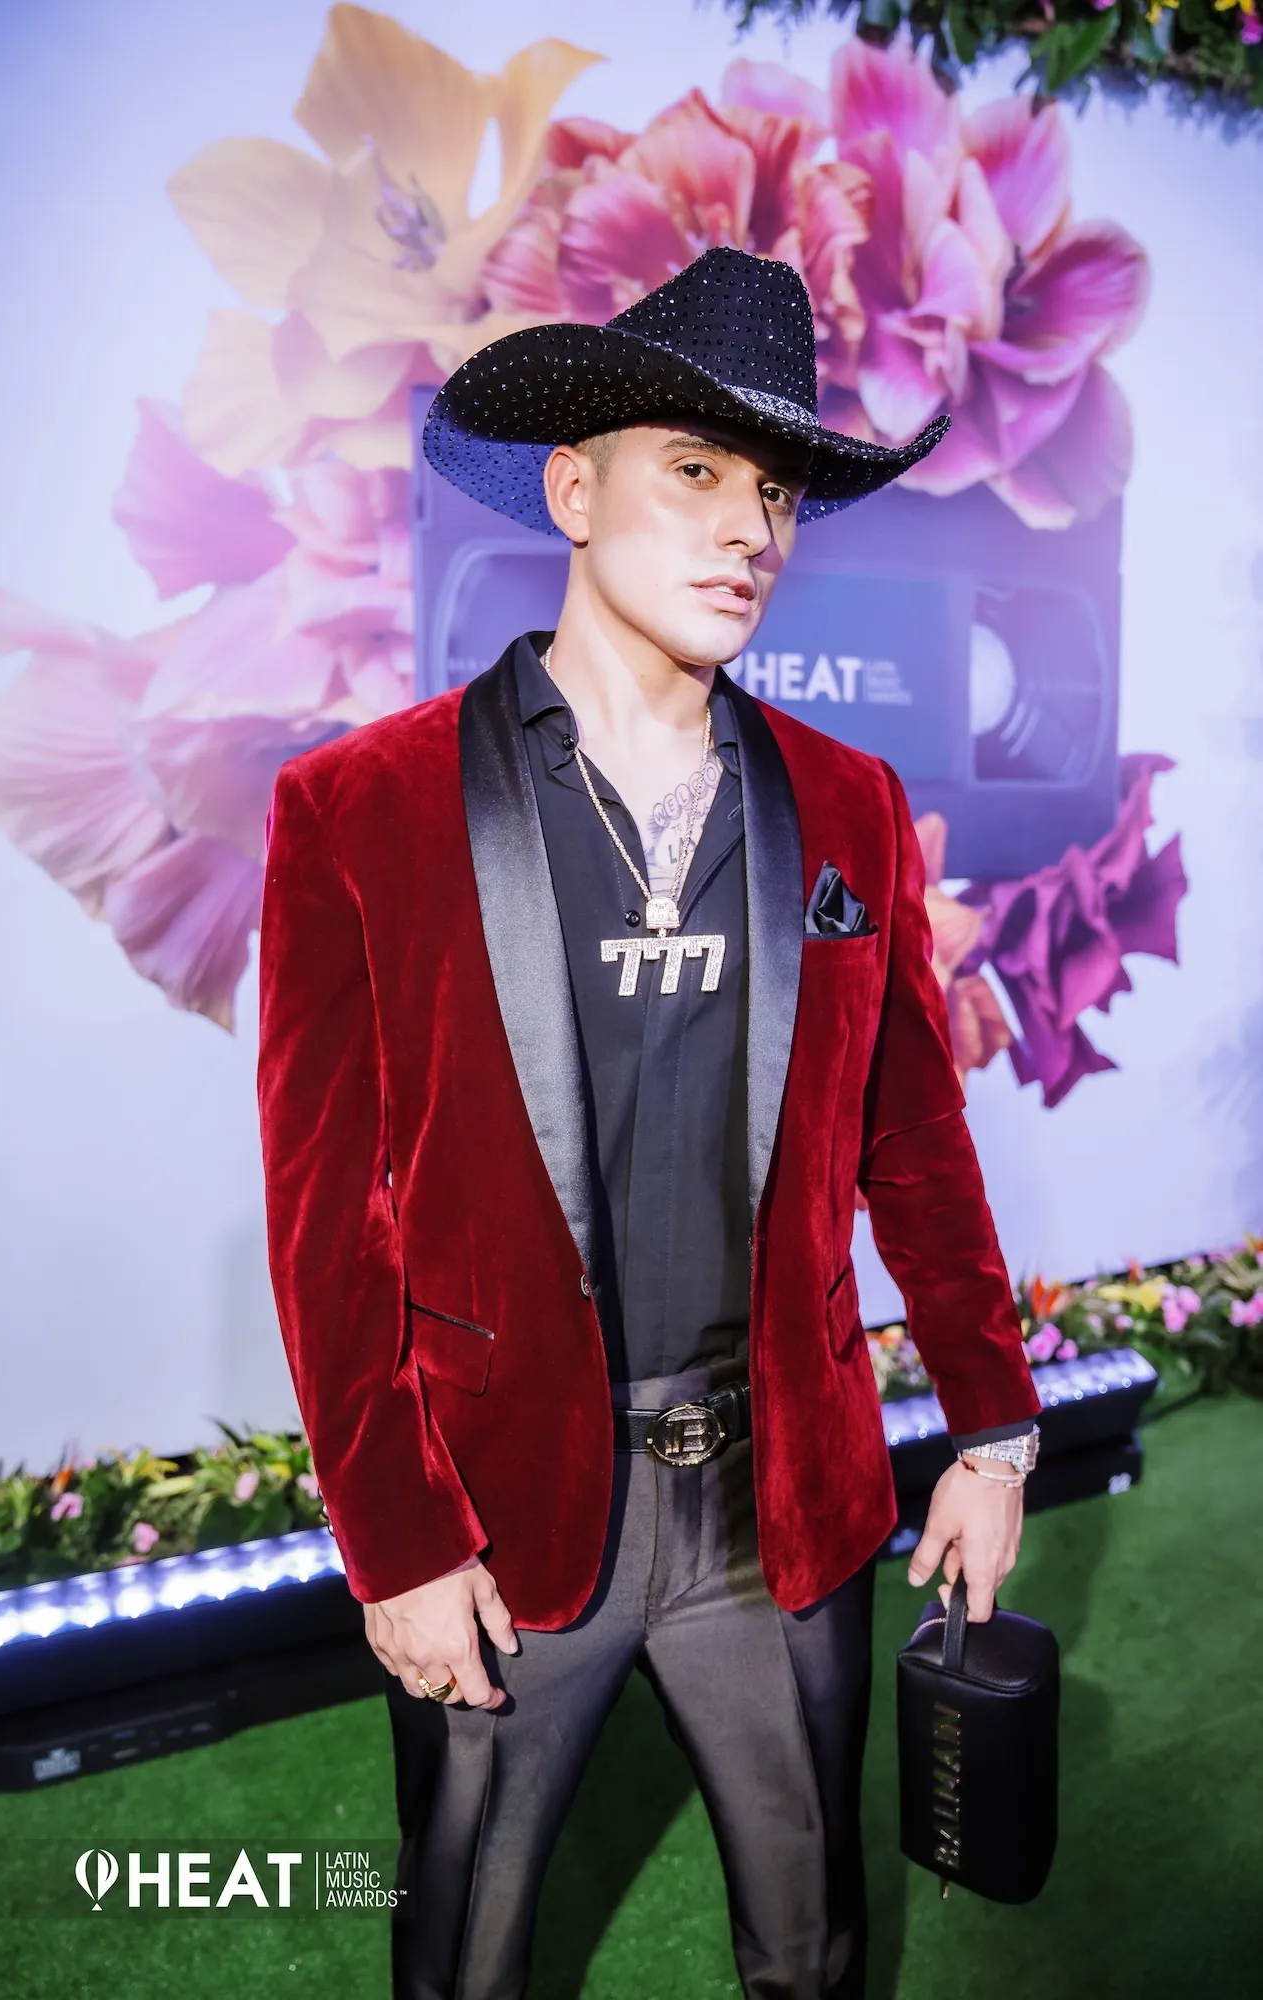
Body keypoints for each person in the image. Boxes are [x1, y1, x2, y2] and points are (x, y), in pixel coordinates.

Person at [257, 246, 1043, 1999]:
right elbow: (327, 1220)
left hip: (785, 1509)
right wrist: (398, 1541)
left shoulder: (846, 802)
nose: (749, 528)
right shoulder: (361, 810)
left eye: (775, 493)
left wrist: (991, 1434)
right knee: (462, 1963)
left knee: (815, 1955)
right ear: (573, 491)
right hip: (504, 1518)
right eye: (695, 471)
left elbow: (915, 1142)